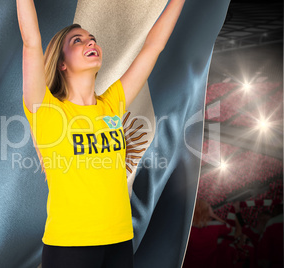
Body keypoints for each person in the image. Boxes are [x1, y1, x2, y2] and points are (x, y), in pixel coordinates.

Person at [17, 0, 185, 267]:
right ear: (61, 63)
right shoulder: (46, 109)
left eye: (92, 39)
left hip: (119, 240)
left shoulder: (112, 104)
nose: (90, 42)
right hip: (69, 245)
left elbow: (154, 46)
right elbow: (31, 41)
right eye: (77, 41)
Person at [183, 199, 233, 268]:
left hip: (190, 264)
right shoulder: (215, 227)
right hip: (209, 263)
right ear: (207, 212)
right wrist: (213, 215)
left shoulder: (187, 229)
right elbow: (229, 228)